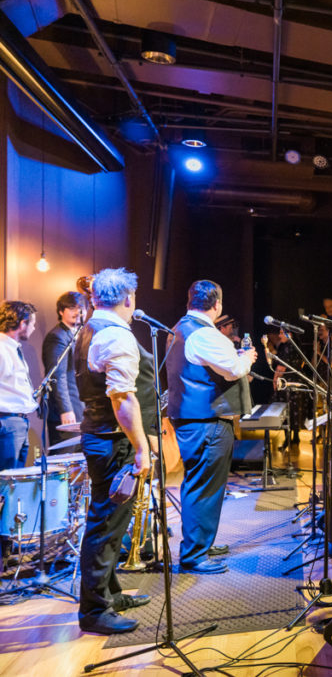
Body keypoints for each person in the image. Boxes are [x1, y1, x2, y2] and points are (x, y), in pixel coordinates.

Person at [74, 268, 153, 635]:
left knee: (109, 522)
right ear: (127, 298)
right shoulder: (117, 336)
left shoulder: (89, 328)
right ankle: (94, 611)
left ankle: (109, 594)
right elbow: (122, 399)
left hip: (98, 435)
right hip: (111, 440)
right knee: (106, 525)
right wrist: (141, 449)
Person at [166, 280, 257, 574]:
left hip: (193, 419)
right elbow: (233, 369)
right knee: (204, 487)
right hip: (207, 421)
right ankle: (194, 555)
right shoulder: (205, 334)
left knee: (202, 484)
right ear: (217, 305)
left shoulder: (181, 327)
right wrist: (247, 358)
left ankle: (200, 544)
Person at [43, 291, 86, 446]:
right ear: (61, 311)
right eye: (72, 308)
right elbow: (57, 376)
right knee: (65, 454)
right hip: (67, 411)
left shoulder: (79, 334)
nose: (78, 312)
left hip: (80, 407)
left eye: (81, 308)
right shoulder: (58, 336)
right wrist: (65, 409)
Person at [0, 300, 38, 469]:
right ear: (23, 323)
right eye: (33, 324)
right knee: (6, 483)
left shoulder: (12, 348)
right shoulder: (1, 349)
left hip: (18, 422)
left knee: (14, 481)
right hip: (7, 423)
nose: (34, 328)